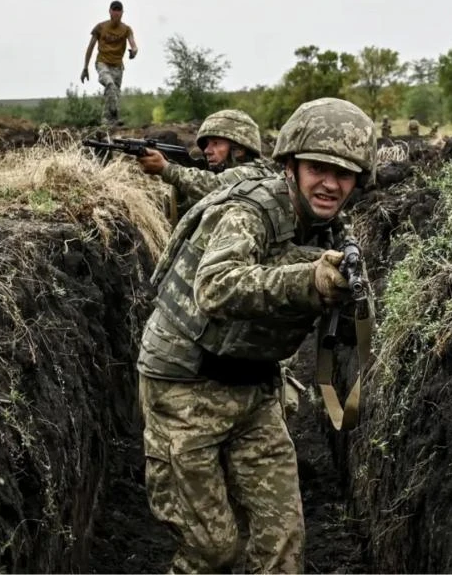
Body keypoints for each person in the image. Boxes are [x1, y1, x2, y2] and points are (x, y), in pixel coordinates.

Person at [136, 97, 376, 573]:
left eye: (344, 173)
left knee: (281, 544)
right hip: (185, 386)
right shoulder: (251, 212)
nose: (330, 183)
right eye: (318, 168)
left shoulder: (331, 230)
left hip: (254, 388)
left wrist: (346, 301)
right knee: (213, 551)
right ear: (291, 165)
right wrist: (307, 281)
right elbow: (215, 286)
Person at [136, 109, 264, 213]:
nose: (207, 150)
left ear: (239, 149)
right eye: (206, 144)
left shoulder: (254, 174)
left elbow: (216, 185)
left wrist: (166, 168)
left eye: (216, 143)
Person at [80, 0, 138, 126]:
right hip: (103, 63)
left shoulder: (126, 29)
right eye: (114, 10)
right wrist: (85, 68)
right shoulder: (100, 27)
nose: (116, 13)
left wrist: (134, 52)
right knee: (110, 85)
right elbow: (90, 47)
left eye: (119, 10)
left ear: (122, 13)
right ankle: (116, 116)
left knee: (113, 95)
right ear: (110, 11)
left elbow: (133, 44)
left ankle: (106, 124)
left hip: (117, 66)